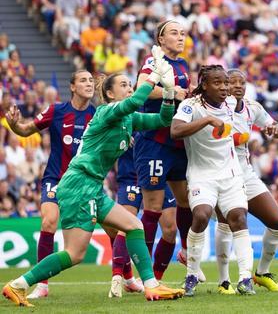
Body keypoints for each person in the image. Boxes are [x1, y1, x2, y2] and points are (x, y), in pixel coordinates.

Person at [2, 47, 184, 307]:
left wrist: (167, 92)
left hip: (92, 187)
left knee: (134, 225)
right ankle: (18, 284)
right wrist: (153, 75)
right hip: (79, 183)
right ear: (110, 94)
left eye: (131, 84)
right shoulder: (107, 112)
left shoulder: (129, 119)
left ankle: (151, 286)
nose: (130, 88)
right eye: (124, 85)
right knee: (75, 254)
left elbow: (164, 120)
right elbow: (133, 102)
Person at [4, 70, 96, 300]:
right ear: (72, 87)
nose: (89, 83)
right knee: (48, 221)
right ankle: (42, 284)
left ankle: (124, 276)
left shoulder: (98, 115)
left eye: (91, 80)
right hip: (56, 179)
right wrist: (14, 125)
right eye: (83, 80)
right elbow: (25, 130)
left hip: (84, 184)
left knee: (93, 241)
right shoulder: (57, 111)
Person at [170, 65, 255, 296]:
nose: (224, 87)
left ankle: (246, 278)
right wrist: (207, 120)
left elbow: (248, 112)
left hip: (230, 174)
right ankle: (192, 274)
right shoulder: (191, 106)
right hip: (201, 175)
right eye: (217, 83)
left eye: (225, 82)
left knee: (238, 217)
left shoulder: (230, 103)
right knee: (201, 215)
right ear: (204, 85)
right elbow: (175, 131)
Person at [214, 69, 278, 294]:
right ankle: (224, 281)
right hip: (220, 173)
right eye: (231, 82)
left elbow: (276, 128)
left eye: (241, 82)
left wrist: (275, 129)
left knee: (276, 221)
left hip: (246, 173)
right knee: (225, 223)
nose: (237, 86)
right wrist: (239, 137)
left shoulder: (252, 107)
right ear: (224, 85)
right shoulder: (216, 108)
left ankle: (261, 273)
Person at [134, 19, 196, 278]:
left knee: (187, 201)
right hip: (154, 143)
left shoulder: (182, 64)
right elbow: (141, 88)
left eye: (183, 33)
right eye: (174, 33)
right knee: (153, 209)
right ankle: (146, 275)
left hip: (177, 143)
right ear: (161, 39)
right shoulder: (154, 62)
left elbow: (184, 94)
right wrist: (172, 92)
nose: (180, 37)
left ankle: (185, 251)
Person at [108, 147, 179, 298]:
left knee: (170, 229)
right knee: (124, 225)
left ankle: (155, 280)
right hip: (130, 178)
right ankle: (117, 277)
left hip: (156, 175)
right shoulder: (122, 123)